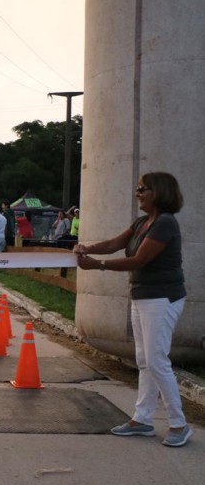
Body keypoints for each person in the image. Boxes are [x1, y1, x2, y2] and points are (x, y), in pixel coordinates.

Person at [73, 172, 191, 448]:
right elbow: (115, 244)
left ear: (159, 192)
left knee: (157, 360)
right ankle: (143, 419)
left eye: (143, 189)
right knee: (144, 360)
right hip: (143, 297)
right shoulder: (142, 222)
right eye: (138, 189)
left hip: (163, 297)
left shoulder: (164, 224)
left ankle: (179, 424)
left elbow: (139, 260)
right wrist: (86, 247)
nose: (137, 193)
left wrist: (97, 265)